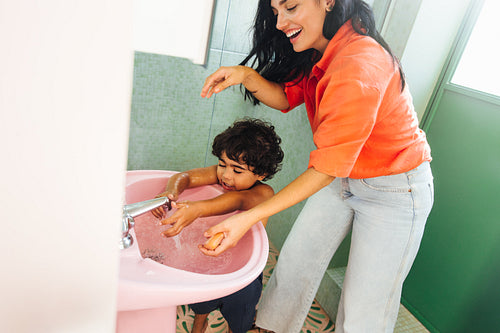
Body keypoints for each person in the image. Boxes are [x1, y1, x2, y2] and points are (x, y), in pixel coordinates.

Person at [198, 0, 434, 332]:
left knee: (364, 308)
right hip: (344, 177)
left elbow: (325, 168)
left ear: (327, 2)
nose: (280, 22)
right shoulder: (321, 49)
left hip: (394, 188)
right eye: (276, 11)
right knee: (294, 265)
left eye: (291, 7)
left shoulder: (360, 63)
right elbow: (285, 98)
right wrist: (245, 75)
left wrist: (248, 218)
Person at [152, 118, 284, 333]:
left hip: (242, 273)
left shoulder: (264, 193)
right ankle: (200, 323)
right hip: (210, 260)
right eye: (223, 164)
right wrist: (171, 192)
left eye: (237, 170)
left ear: (261, 174)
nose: (226, 175)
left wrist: (198, 208)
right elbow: (184, 176)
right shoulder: (221, 173)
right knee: (201, 301)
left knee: (239, 318)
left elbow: (236, 201)